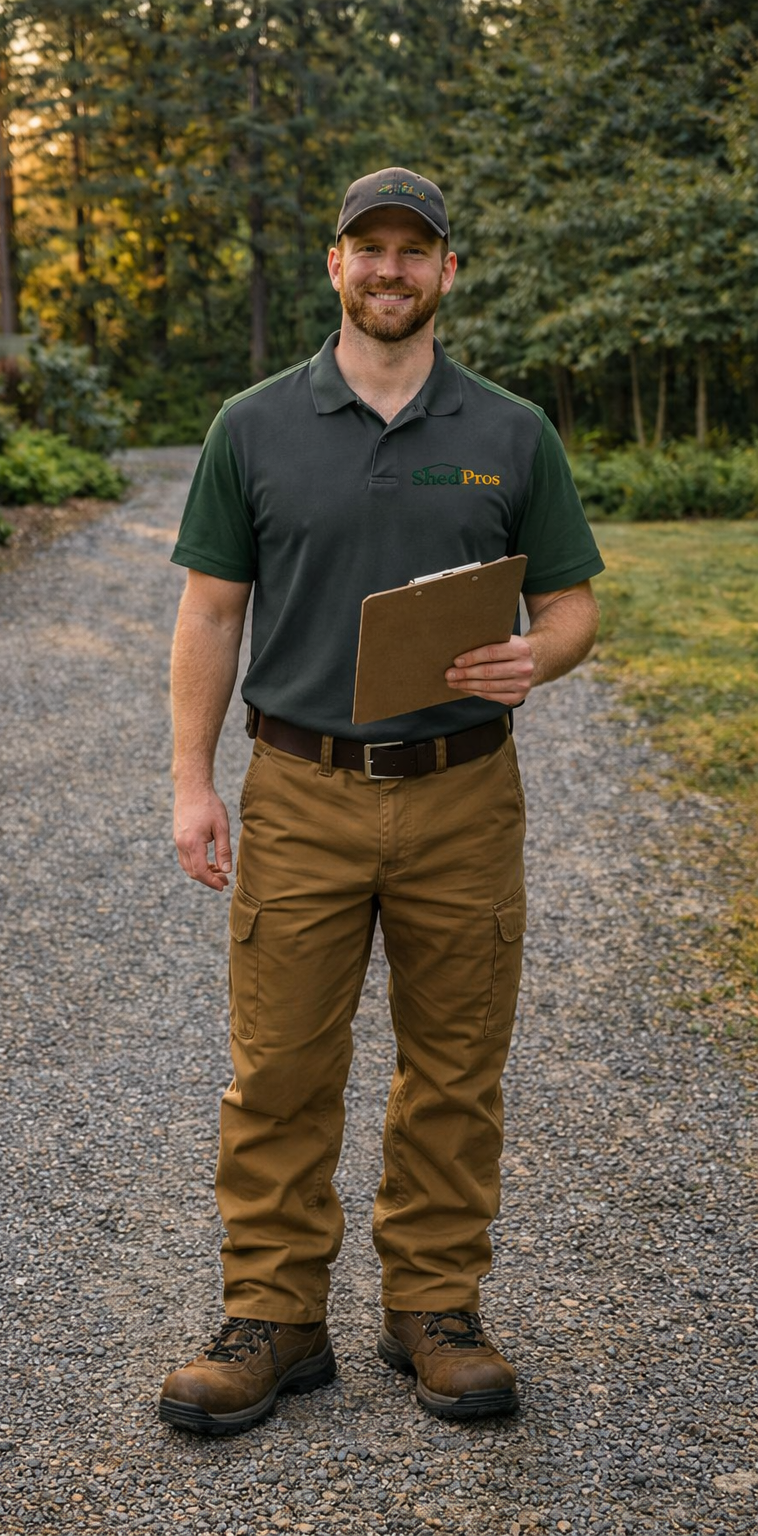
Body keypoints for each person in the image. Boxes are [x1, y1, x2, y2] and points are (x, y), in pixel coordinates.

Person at [160, 167, 604, 1436]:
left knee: (457, 1064)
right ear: (335, 265)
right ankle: (276, 1318)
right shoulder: (252, 424)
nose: (393, 269)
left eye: (417, 250)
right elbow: (210, 611)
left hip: (464, 791)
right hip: (299, 787)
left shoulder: (512, 430)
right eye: (372, 248)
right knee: (281, 1070)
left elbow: (570, 599)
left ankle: (434, 1309)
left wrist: (541, 653)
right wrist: (194, 783)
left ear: (448, 272)